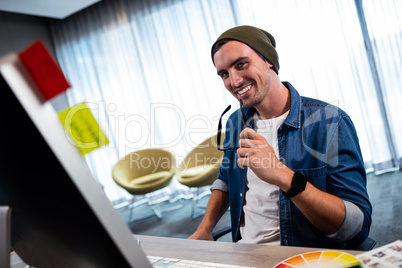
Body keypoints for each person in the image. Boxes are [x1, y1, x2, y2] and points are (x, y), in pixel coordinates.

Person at [189, 25, 372, 249]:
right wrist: (205, 228)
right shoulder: (235, 122)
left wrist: (282, 175)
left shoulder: (330, 122)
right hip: (244, 255)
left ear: (269, 61)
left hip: (301, 259)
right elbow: (226, 179)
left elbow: (357, 227)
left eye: (241, 65)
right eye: (224, 74)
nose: (234, 82)